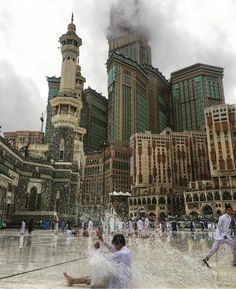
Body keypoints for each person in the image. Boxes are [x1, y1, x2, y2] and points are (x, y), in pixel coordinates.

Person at [63, 231, 132, 288]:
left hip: (118, 283)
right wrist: (102, 240)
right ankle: (72, 280)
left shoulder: (121, 254)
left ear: (119, 244)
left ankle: (72, 280)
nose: (114, 246)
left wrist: (97, 249)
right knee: (96, 277)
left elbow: (104, 257)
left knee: (95, 285)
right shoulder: (125, 250)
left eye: (115, 245)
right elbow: (113, 249)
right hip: (121, 277)